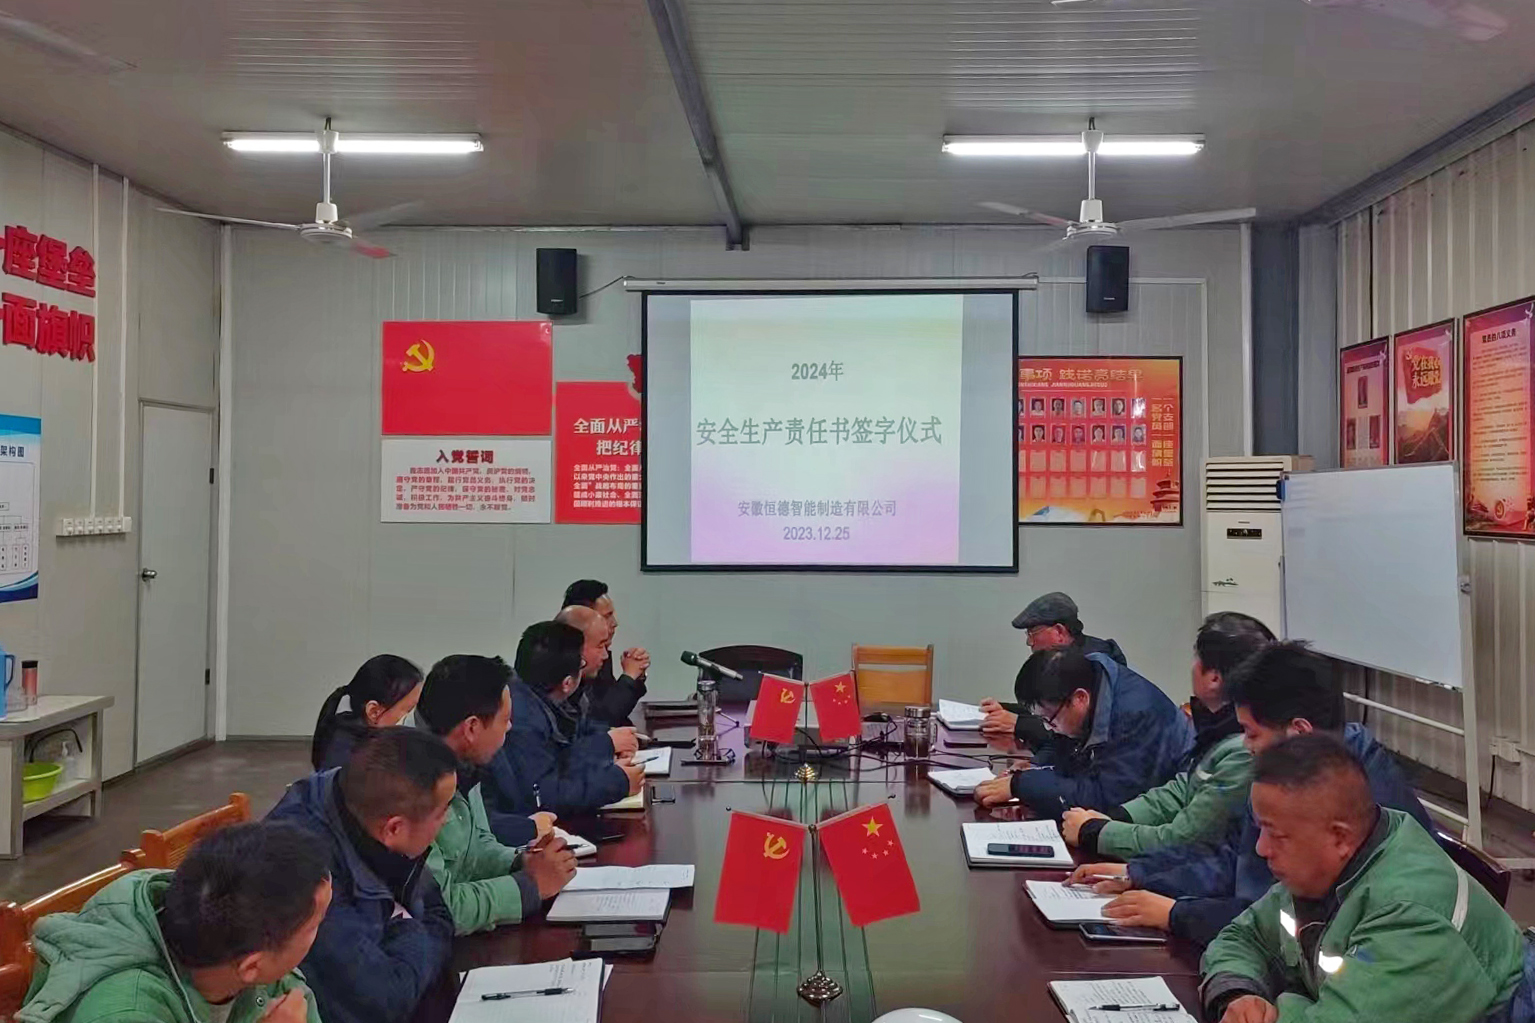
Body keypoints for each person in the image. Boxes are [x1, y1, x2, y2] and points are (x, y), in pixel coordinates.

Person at [1066, 641, 1435, 946]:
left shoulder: (1355, 806)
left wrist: (1178, 914)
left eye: (1252, 733)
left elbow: (1290, 925)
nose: (1246, 746)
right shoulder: (1292, 776)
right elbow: (1233, 857)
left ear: (1299, 732)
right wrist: (1142, 874)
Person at [1200, 734, 1527, 1023]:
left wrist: (1282, 1003)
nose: (1261, 848)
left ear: (1340, 838)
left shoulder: (1412, 916)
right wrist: (1239, 995)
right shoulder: (1327, 866)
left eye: (1277, 834)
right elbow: (1243, 937)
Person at [18, 822, 330, 1023]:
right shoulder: (122, 1011)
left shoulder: (242, 944)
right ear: (252, 967)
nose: (321, 931)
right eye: (316, 924)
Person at [265, 728, 457, 1023]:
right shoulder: (303, 874)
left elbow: (440, 916)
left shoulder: (363, 804)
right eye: (442, 811)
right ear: (394, 828)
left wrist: (399, 929)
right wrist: (407, 924)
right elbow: (385, 999)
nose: (447, 819)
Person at [1064, 612, 1273, 859]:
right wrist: (1116, 818)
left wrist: (1096, 833)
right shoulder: (1217, 726)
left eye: (1197, 660)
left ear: (1214, 678)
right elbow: (1184, 788)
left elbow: (1185, 839)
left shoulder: (1243, 748)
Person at [415, 654, 578, 934]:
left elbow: (478, 846)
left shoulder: (462, 761)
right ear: (472, 728)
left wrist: (520, 863)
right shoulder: (409, 786)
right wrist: (530, 886)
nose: (510, 727)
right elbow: (440, 909)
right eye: (505, 720)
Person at [973, 646, 1193, 817]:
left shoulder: (1133, 717)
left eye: (1049, 719)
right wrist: (1038, 766)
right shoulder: (1089, 682)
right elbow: (1065, 747)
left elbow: (1104, 799)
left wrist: (1023, 785)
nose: (1048, 727)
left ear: (1079, 699)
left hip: (1179, 816)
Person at [482, 621, 642, 819]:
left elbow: (573, 746)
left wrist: (608, 746)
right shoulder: (522, 719)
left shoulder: (544, 696)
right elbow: (544, 796)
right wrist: (617, 782)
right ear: (567, 683)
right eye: (581, 664)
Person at [980, 591, 1129, 743]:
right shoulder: (1069, 659)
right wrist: (1004, 710)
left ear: (1059, 632)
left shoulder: (1093, 665)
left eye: (1032, 633)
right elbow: (1049, 707)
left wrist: (1018, 724)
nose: (1029, 643)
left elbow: (1073, 731)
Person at [560, 580, 651, 727]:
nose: (614, 623)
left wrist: (636, 676)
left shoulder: (599, 654)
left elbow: (615, 706)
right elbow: (602, 718)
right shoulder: (563, 660)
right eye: (607, 616)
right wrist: (629, 677)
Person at [311, 655, 423, 770]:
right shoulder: (350, 760)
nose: (414, 716)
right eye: (409, 709)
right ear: (374, 712)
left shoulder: (352, 723)